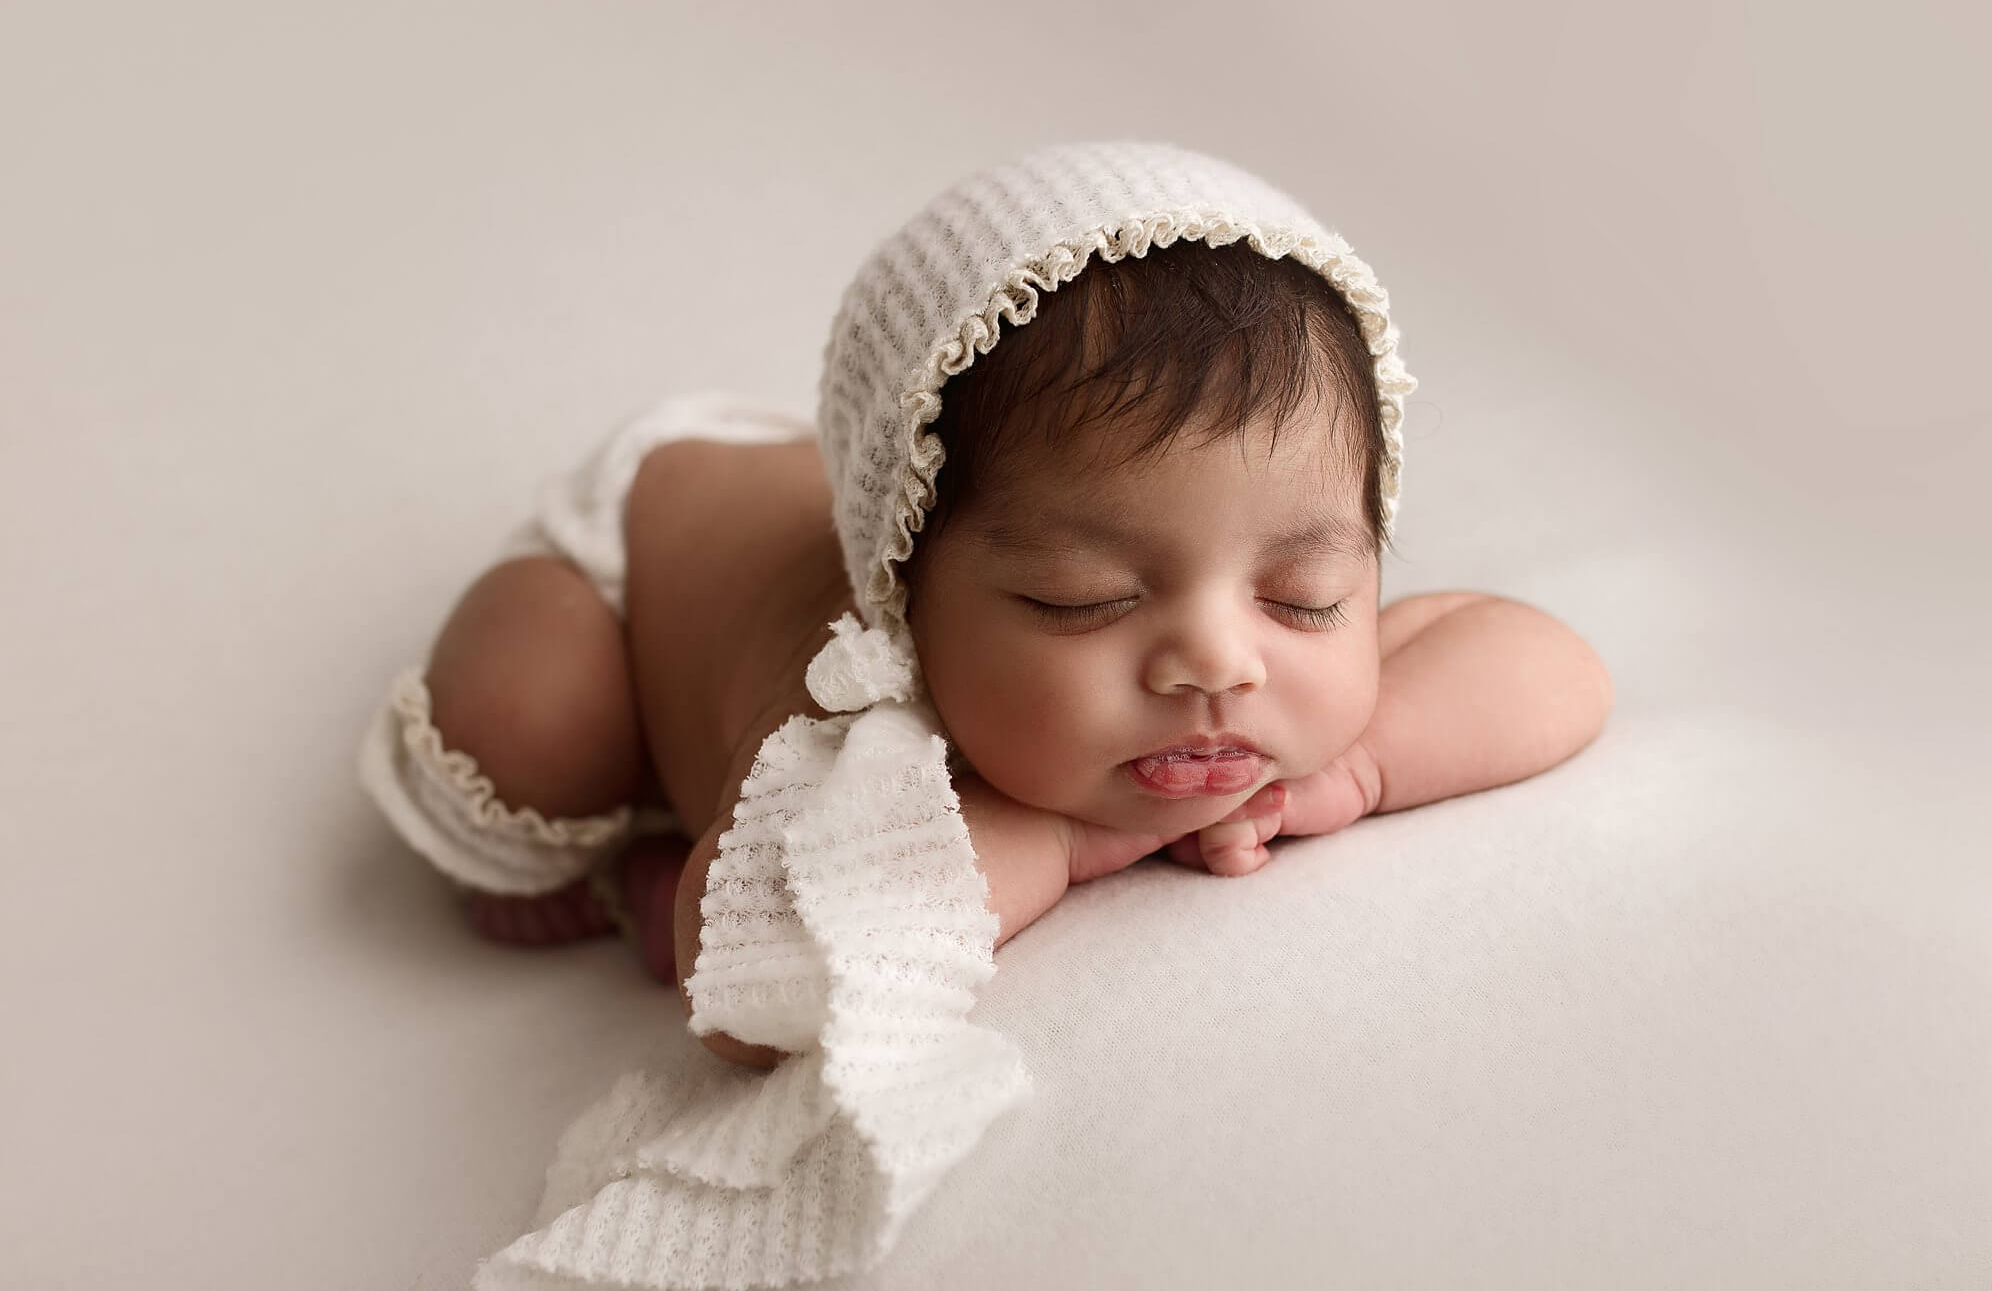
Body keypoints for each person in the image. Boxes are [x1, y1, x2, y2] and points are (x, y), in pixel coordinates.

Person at [356, 141, 1613, 1073]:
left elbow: (1549, 665)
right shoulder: (846, 699)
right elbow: (745, 987)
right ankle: (600, 843)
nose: (1217, 662)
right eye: (1085, 600)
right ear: (899, 596)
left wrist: (1352, 767)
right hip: (636, 553)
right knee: (528, 717)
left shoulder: (1230, 636)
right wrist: (1058, 843)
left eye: (1304, 595)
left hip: (851, 486)